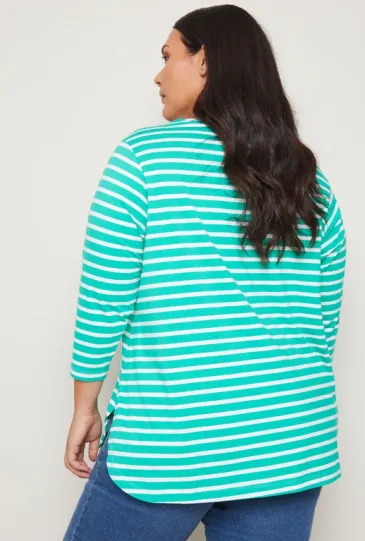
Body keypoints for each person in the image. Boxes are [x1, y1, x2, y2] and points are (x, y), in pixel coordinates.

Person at [62, 4, 347, 541]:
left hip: (174, 441)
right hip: (291, 444)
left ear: (204, 62)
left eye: (167, 56)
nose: (158, 75)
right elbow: (321, 324)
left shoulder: (142, 159)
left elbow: (104, 299)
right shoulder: (309, 179)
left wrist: (84, 407)